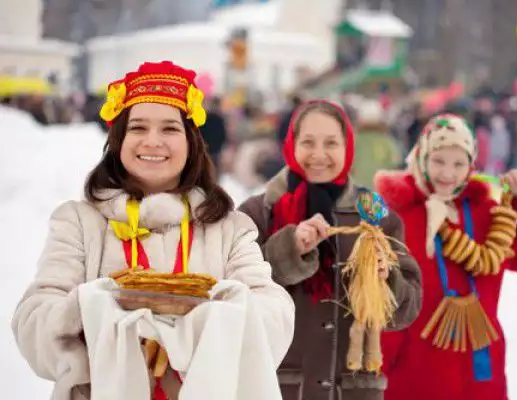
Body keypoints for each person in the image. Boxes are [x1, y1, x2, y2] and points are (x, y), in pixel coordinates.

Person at [12, 61, 294, 400]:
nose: (153, 141)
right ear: (118, 140)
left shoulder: (230, 229)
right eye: (138, 128)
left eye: (170, 129)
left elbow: (274, 315)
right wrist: (95, 312)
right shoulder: (77, 222)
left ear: (191, 142)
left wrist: (195, 324)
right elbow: (34, 321)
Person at [238, 99, 423, 400]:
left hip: (351, 390)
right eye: (308, 142)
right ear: (292, 144)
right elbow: (235, 294)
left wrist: (385, 278)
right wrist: (290, 249)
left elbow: (406, 311)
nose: (319, 154)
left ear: (348, 148)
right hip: (277, 388)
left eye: (331, 143)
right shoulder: (260, 212)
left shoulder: (375, 216)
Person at [374, 114, 517, 400]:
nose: (448, 173)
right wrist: (373, 375)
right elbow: (381, 306)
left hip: (478, 375)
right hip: (414, 378)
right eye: (438, 161)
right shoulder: (397, 218)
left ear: (471, 166)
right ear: (421, 158)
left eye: (458, 163)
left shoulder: (486, 214)